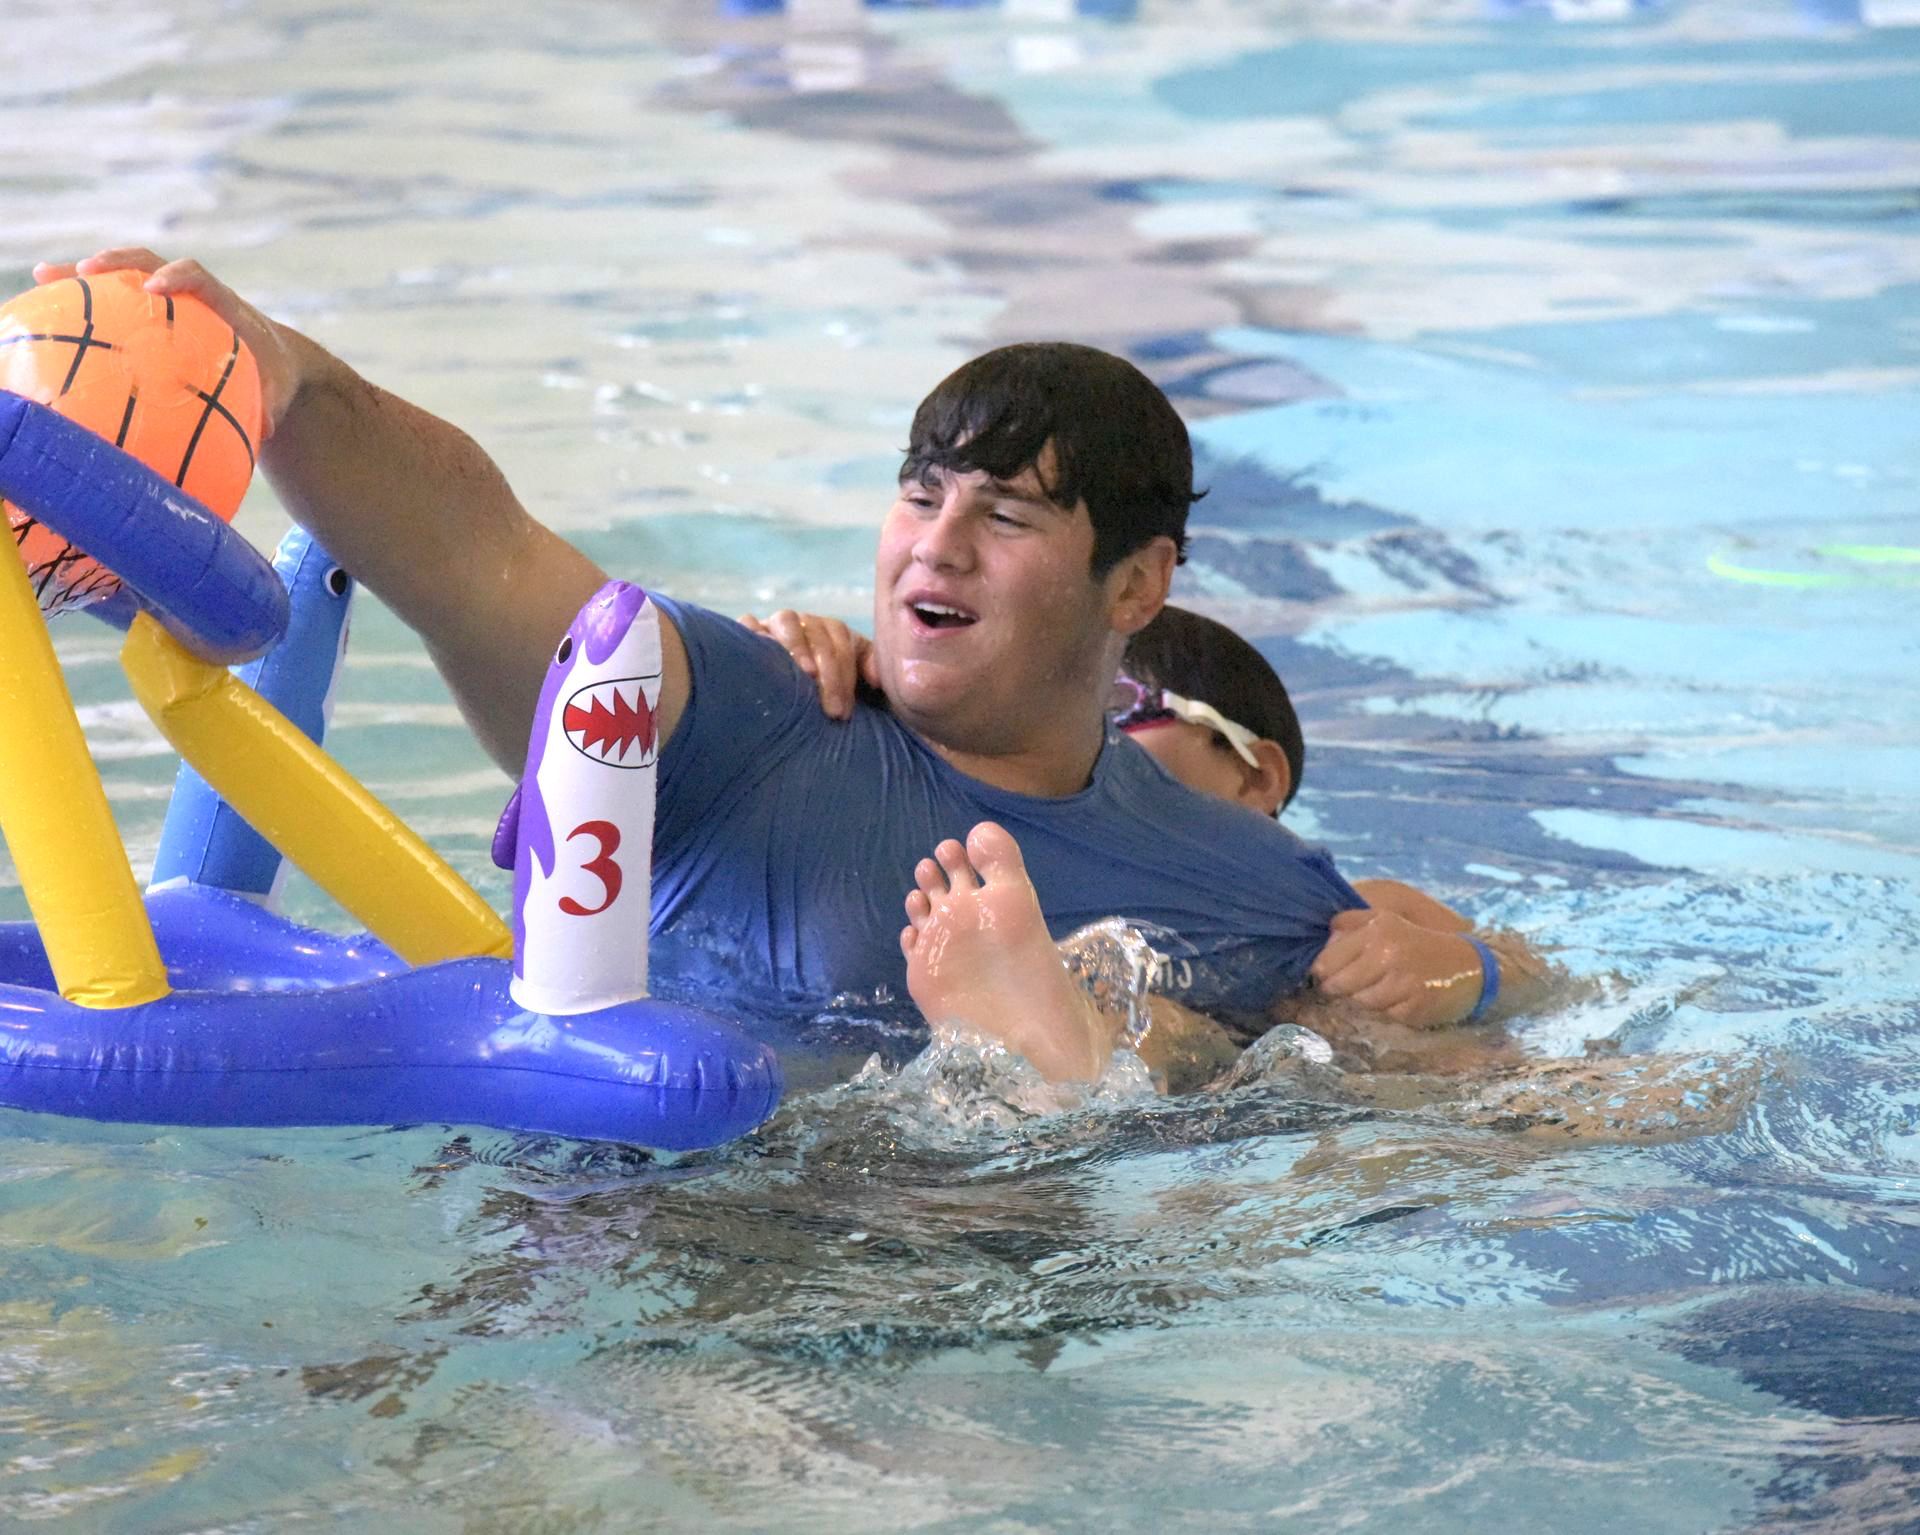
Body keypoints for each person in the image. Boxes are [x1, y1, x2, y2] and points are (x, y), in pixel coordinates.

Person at [33, 250, 1542, 1092]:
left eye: (1007, 516)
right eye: (919, 495)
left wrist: (1478, 971)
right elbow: (474, 552)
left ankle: (1052, 1061)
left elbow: (1510, 1074)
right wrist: (290, 376)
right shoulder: (744, 711)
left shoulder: (1246, 876)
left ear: (1136, 587)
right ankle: (1052, 1065)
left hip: (952, 1301)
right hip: (662, 1259)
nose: (934, 545)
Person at [744, 603, 1547, 1086]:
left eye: (1120, 709)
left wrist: (1465, 972)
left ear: (1256, 775)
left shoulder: (1357, 907)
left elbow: (1553, 982)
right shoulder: (991, 907)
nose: (1089, 747)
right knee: (1127, 1006)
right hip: (1183, 1125)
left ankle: (1060, 1047)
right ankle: (1060, 1048)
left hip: (1324, 1100)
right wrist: (804, 659)